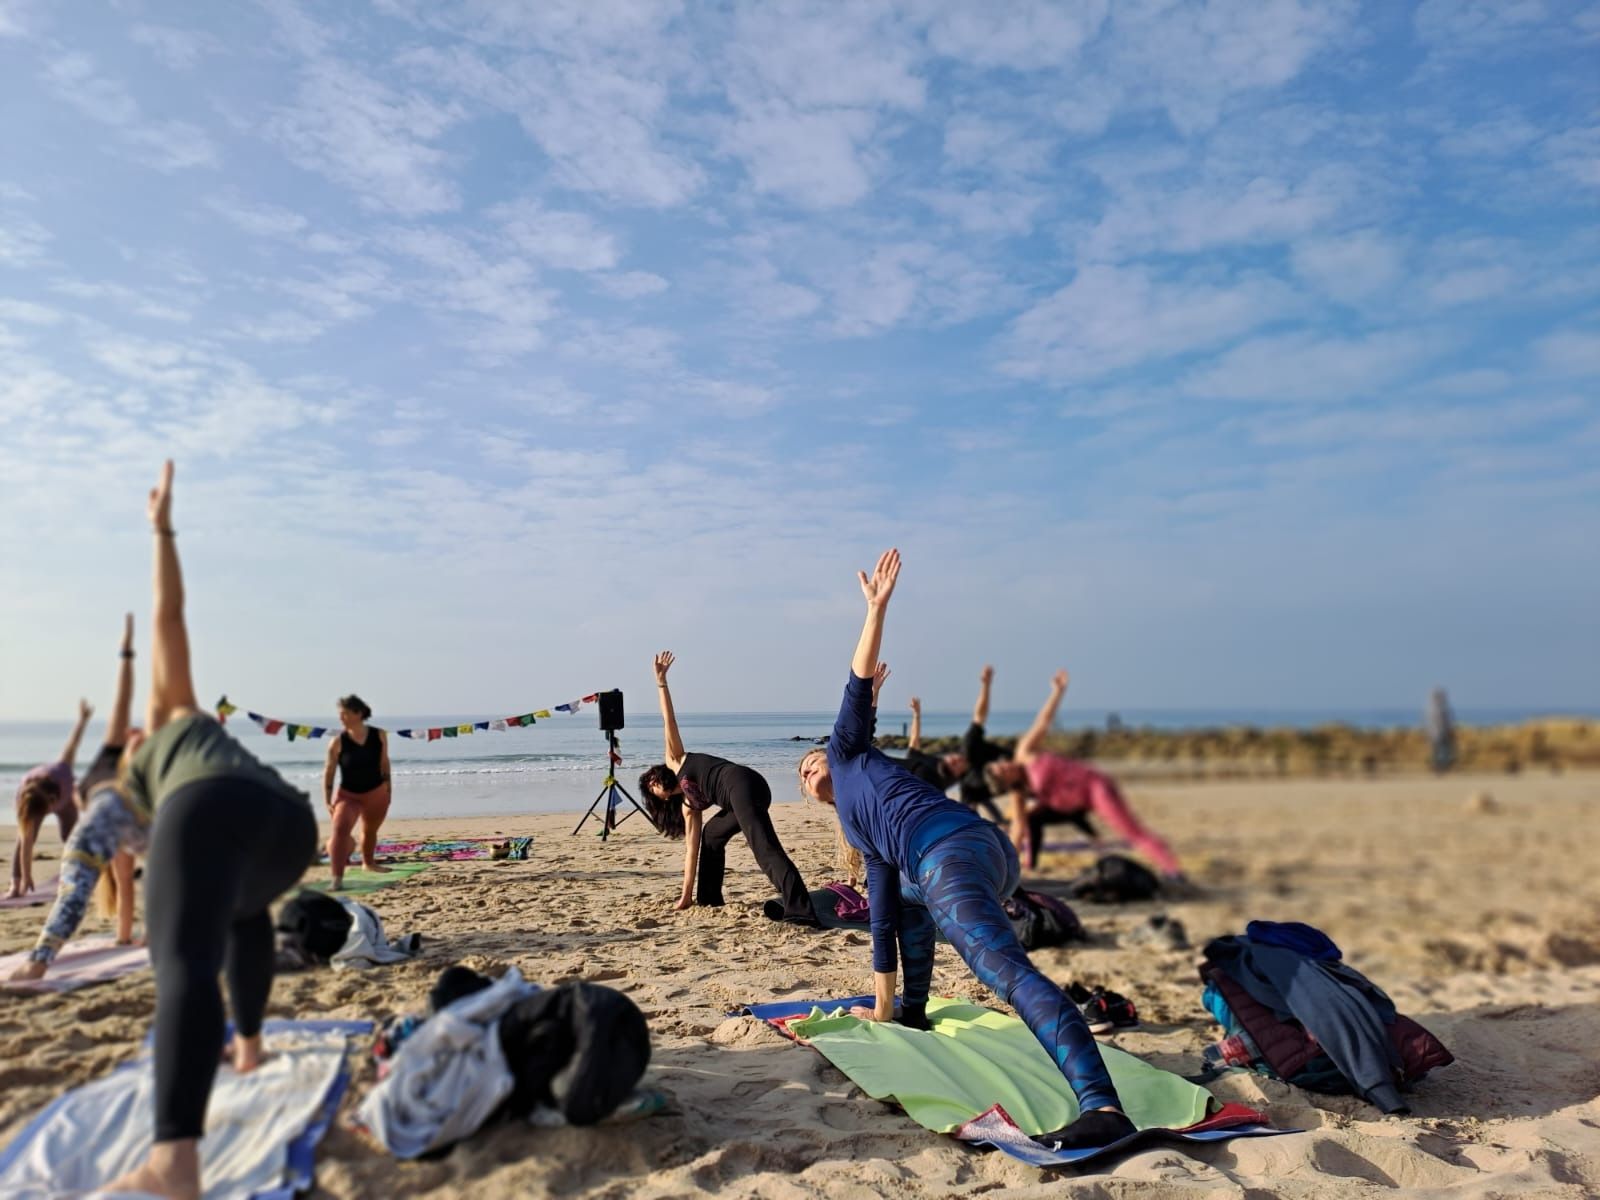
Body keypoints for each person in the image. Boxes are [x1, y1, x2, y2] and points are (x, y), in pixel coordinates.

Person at [796, 549, 1133, 1148]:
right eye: (801, 770)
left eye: (814, 755)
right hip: (983, 857)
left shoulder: (851, 752)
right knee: (903, 904)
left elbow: (855, 687)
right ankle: (916, 1011)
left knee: (1001, 969)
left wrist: (875, 611)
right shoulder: (858, 828)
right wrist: (884, 1006)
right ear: (806, 793)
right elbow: (879, 915)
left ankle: (1102, 1106)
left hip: (952, 851)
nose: (812, 763)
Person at [96, 461, 317, 1200]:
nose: (133, 729)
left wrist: (161, 529)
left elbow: (168, 618)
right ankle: (248, 1048)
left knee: (183, 964)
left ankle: (174, 1166)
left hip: (216, 809)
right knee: (242, 914)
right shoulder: (155, 780)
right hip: (287, 826)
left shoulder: (169, 720)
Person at [9, 617, 145, 979]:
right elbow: (123, 696)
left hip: (134, 832)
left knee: (134, 877)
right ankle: (39, 961)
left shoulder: (143, 781)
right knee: (76, 892)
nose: (138, 733)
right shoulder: (108, 760)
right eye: (136, 732)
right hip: (93, 839)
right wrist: (127, 652)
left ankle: (128, 936)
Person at [639, 651, 817, 926]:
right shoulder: (689, 808)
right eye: (651, 788)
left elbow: (669, 721)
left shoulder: (675, 761)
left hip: (743, 783)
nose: (655, 783)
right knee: (711, 836)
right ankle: (708, 898)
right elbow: (691, 851)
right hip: (739, 800)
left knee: (763, 847)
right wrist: (685, 895)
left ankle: (800, 910)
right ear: (659, 800)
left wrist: (661, 683)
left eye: (653, 778)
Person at [985, 673, 1183, 878]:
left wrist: (1057, 692)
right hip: (1072, 805)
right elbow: (1018, 830)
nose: (1006, 766)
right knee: (1033, 819)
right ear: (1006, 783)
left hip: (1094, 786)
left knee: (1129, 829)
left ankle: (1172, 869)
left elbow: (1043, 722)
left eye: (1001, 764)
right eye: (1002, 772)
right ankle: (1032, 861)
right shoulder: (1019, 792)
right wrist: (1010, 868)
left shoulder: (1024, 753)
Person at [8, 698, 93, 898]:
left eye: (50, 805)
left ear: (53, 797)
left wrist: (82, 720)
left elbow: (73, 744)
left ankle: (82, 873)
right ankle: (14, 884)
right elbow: (27, 843)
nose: (49, 810)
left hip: (67, 804)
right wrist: (26, 877)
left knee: (71, 838)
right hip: (34, 803)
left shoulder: (62, 771)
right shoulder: (26, 802)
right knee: (24, 839)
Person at [323, 694, 392, 890]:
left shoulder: (379, 735)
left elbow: (384, 763)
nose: (341, 718)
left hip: (377, 793)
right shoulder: (338, 742)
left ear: (358, 713)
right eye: (340, 714)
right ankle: (336, 878)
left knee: (369, 830)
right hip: (348, 795)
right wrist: (328, 799)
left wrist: (389, 789)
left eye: (344, 713)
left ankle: (368, 863)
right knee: (340, 830)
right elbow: (329, 771)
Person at [1426, 688, 1456, 774]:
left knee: (1438, 751)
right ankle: (1441, 766)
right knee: (1442, 751)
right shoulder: (1441, 708)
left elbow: (1429, 722)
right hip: (1440, 733)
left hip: (1435, 734)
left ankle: (1439, 766)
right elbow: (1447, 721)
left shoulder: (1431, 708)